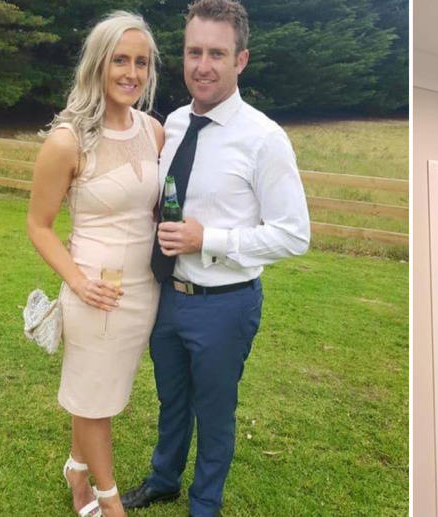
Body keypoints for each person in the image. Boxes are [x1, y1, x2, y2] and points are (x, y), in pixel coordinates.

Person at [119, 1, 310, 516]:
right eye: (193, 51)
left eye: (217, 54)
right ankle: (163, 479)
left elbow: (295, 235)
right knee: (172, 401)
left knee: (215, 412)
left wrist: (212, 239)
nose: (203, 65)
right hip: (168, 296)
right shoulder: (174, 124)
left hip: (225, 302)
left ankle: (204, 505)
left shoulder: (264, 139)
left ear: (240, 60)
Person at [27, 11, 164, 517]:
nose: (131, 72)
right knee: (92, 399)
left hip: (142, 291)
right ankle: (109, 504)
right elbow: (39, 225)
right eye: (120, 60)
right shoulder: (67, 140)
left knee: (104, 391)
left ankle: (77, 469)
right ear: (98, 65)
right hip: (92, 291)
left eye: (142, 63)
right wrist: (79, 283)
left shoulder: (154, 131)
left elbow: (153, 210)